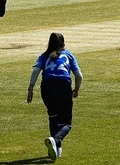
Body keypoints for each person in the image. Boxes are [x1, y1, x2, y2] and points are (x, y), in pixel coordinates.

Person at [27, 32, 83, 161]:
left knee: (53, 117)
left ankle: (55, 148)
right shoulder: (68, 54)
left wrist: (30, 89)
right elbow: (79, 75)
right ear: (63, 45)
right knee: (66, 124)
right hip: (63, 86)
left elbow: (36, 70)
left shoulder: (44, 55)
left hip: (46, 87)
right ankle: (56, 140)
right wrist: (77, 89)